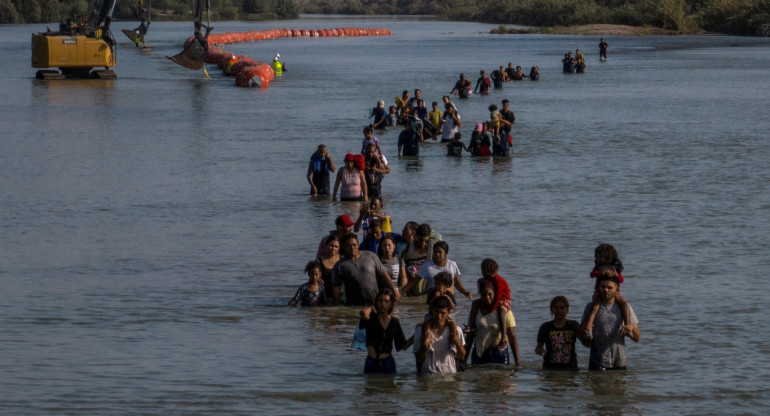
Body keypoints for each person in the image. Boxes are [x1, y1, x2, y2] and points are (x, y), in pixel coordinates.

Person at [580, 273, 640, 370]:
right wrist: (584, 332)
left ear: (616, 289)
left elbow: (637, 338)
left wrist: (631, 328)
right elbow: (586, 343)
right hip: (597, 364)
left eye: (609, 287)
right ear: (598, 287)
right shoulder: (590, 307)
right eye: (603, 287)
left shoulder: (625, 308)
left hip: (619, 363)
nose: (605, 290)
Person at [331, 233, 400, 306]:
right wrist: (335, 306)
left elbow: (384, 275)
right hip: (353, 304)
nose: (352, 248)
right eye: (349, 245)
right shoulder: (339, 265)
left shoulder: (371, 256)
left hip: (375, 302)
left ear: (358, 245)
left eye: (354, 245)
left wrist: (395, 291)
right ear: (344, 247)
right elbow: (336, 288)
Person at [467, 279, 520, 365]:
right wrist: (463, 361)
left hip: (499, 353)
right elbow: (469, 337)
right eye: (484, 295)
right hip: (479, 353)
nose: (487, 297)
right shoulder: (476, 311)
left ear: (495, 294)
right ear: (480, 295)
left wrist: (517, 361)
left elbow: (512, 336)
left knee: (501, 377)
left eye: (490, 294)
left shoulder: (504, 311)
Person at [359, 289, 411, 373]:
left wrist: (417, 335)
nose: (382, 304)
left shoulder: (394, 322)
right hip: (371, 361)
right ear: (376, 302)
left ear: (391, 304)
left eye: (386, 301)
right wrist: (372, 308)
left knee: (389, 385)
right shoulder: (371, 318)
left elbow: (403, 345)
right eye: (380, 300)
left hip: (388, 362)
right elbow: (363, 313)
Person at [413, 295, 466, 374]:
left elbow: (461, 356)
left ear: (448, 313)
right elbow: (419, 359)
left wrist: (457, 342)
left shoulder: (456, 330)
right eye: (436, 312)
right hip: (429, 376)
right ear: (432, 311)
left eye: (443, 313)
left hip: (450, 376)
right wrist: (424, 345)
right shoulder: (420, 330)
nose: (439, 316)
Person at [585, 243, 630, 331]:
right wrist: (600, 273)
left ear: (608, 257)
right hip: (599, 291)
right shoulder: (599, 268)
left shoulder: (615, 267)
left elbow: (621, 280)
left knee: (624, 304)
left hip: (615, 292)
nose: (598, 259)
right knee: (595, 306)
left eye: (600, 257)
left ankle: (627, 325)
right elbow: (592, 275)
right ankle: (589, 326)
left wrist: (616, 275)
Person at [466, 259, 511, 344]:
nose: (483, 273)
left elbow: (498, 296)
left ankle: (503, 338)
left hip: (503, 299)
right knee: (475, 303)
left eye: (484, 271)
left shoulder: (498, 281)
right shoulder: (486, 279)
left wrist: (490, 309)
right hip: (492, 296)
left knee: (501, 313)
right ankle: (470, 325)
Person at [536, 295, 580, 369]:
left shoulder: (573, 325)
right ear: (551, 309)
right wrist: (540, 351)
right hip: (550, 368)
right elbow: (538, 348)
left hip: (571, 368)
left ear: (567, 309)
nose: (559, 310)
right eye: (556, 308)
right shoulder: (545, 327)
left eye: (562, 308)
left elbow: (585, 342)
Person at [316, 235, 340, 302]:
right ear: (326, 246)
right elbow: (312, 275)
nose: (333, 248)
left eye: (336, 246)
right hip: (324, 295)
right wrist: (317, 278)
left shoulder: (342, 260)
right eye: (331, 245)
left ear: (339, 248)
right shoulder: (319, 261)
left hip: (341, 296)